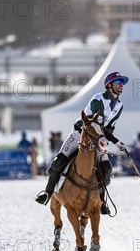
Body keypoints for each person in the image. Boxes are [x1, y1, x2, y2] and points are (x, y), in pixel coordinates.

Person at [35, 71, 129, 213]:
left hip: (98, 140)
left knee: (107, 170)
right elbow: (95, 125)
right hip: (80, 135)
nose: (121, 85)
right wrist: (104, 139)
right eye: (118, 82)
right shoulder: (98, 100)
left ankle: (102, 201)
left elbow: (107, 130)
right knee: (57, 163)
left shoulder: (119, 106)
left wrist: (117, 142)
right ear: (109, 85)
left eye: (122, 83)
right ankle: (47, 193)